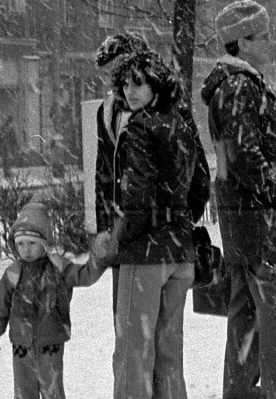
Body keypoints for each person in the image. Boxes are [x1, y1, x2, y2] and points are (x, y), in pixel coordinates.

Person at [200, 0, 276, 399]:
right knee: (275, 308)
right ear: (241, 43)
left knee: (247, 310)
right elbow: (247, 155)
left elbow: (238, 156)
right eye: (262, 36)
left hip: (244, 220)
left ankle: (242, 390)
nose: (269, 43)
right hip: (260, 220)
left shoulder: (232, 87)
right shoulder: (241, 88)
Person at [103, 50, 210, 399]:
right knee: (169, 355)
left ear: (156, 86)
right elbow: (200, 186)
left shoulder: (138, 129)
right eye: (125, 83)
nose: (130, 91)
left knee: (134, 355)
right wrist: (178, 220)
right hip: (181, 253)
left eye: (139, 83)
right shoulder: (180, 123)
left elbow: (135, 195)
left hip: (146, 254)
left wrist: (121, 240)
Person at [0, 201, 107, 399]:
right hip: (21, 346)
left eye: (32, 243)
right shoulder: (13, 273)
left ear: (44, 244)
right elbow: (0, 305)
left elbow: (85, 276)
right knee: (24, 391)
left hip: (51, 343)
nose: (26, 249)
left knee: (52, 390)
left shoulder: (58, 268)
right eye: (21, 244)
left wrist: (100, 258)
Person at [93, 32, 149, 314]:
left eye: (116, 70)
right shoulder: (107, 112)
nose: (113, 81)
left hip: (151, 230)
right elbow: (103, 172)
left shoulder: (154, 110)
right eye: (107, 75)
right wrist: (104, 226)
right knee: (124, 315)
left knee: (152, 321)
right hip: (121, 226)